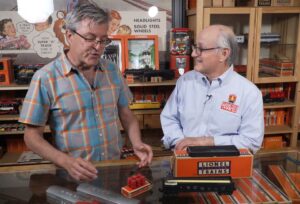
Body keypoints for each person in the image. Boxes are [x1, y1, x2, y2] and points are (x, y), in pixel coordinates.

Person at [19, 1, 153, 182]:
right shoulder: (45, 78)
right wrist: (65, 161)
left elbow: (127, 115)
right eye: (90, 38)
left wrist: (136, 143)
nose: (98, 47)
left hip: (112, 172)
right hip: (72, 179)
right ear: (69, 36)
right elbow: (31, 137)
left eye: (103, 40)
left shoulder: (113, 71)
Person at [160, 25, 264, 153]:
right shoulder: (185, 81)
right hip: (184, 160)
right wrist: (181, 144)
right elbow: (170, 118)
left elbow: (251, 141)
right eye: (194, 47)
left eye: (200, 49)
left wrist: (205, 142)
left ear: (223, 54)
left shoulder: (250, 93)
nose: (193, 54)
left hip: (228, 166)